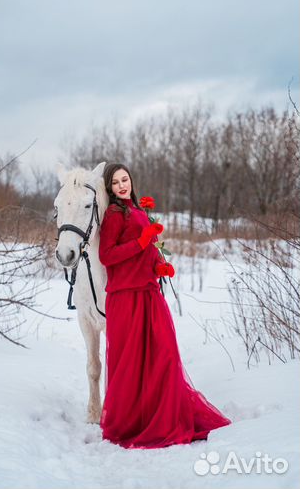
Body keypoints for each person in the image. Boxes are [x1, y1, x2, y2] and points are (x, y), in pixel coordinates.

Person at [98, 162, 231, 449]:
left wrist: (160, 266)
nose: (122, 185)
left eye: (125, 179)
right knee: (132, 364)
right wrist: (141, 242)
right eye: (116, 182)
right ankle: (132, 423)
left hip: (147, 292)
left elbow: (149, 246)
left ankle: (163, 415)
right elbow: (107, 256)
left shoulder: (137, 211)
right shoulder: (113, 214)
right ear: (109, 188)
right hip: (125, 296)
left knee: (163, 356)